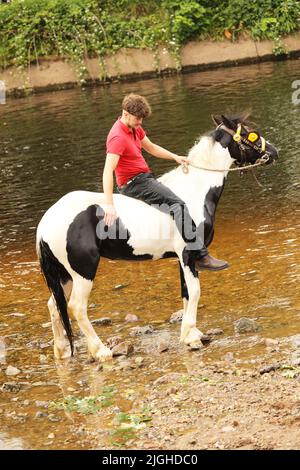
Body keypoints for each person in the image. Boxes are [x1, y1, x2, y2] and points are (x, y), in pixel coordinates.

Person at [102, 93, 228, 271]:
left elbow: (151, 147)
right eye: (138, 119)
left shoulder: (134, 128)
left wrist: (175, 157)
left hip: (144, 178)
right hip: (133, 184)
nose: (141, 123)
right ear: (125, 114)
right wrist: (109, 204)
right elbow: (108, 171)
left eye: (142, 119)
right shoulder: (117, 137)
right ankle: (200, 256)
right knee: (178, 204)